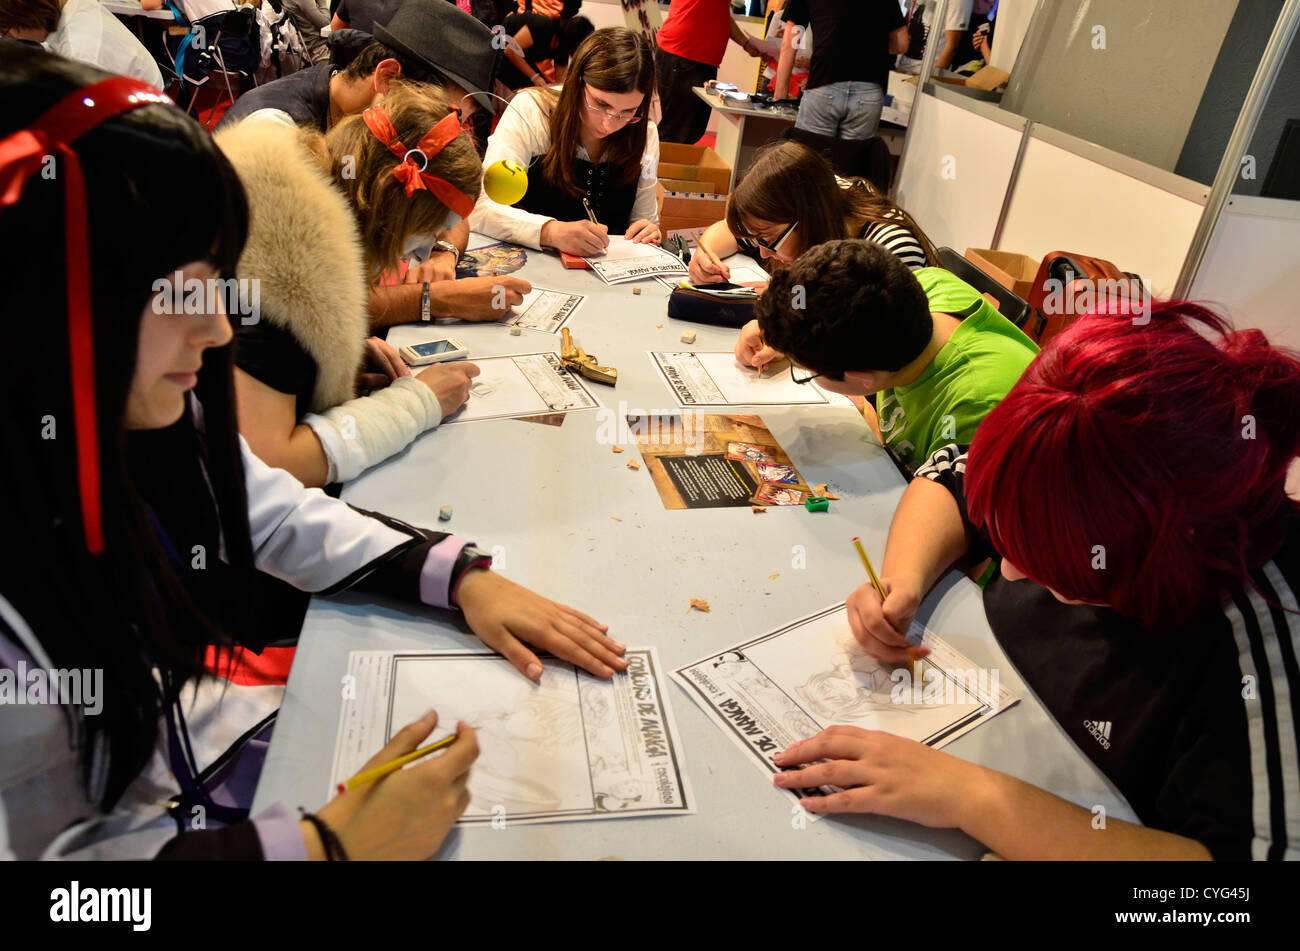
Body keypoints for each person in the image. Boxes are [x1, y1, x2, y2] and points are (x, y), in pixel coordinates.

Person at [0, 45, 625, 859]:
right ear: (48, 301)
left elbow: (262, 504)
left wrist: (456, 572)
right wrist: (326, 849)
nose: (220, 328)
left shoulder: (127, 413)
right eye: (182, 292)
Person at [779, 302, 1300, 860]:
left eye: (1049, 560)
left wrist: (972, 797)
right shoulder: (1071, 462)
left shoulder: (1258, 645)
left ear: (1146, 558)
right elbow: (951, 474)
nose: (1007, 568)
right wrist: (904, 577)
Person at [218, 81, 489, 490]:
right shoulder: (289, 280)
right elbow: (268, 465)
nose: (418, 257)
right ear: (392, 202)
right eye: (427, 232)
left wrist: (330, 358)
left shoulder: (287, 203)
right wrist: (417, 405)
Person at [217, 0, 526, 325]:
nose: (449, 137)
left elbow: (448, 205)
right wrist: (437, 300)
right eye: (446, 115)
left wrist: (443, 253)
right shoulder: (274, 134)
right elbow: (302, 304)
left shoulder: (375, 129)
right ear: (388, 78)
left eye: (459, 123)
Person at [755, 240, 1037, 471]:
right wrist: (788, 338)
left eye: (806, 371)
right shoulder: (920, 285)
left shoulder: (976, 409)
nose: (801, 369)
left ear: (863, 379)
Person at [470, 27, 661, 254]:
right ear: (577, 83)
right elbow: (480, 209)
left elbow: (645, 221)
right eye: (601, 105)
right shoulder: (531, 111)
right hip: (531, 267)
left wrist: (647, 230)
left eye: (628, 111)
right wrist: (549, 231)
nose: (609, 123)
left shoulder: (645, 133)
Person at [772, 0, 907, 142]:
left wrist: (780, 94)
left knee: (811, 159)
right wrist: (870, 49)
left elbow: (791, 42)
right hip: (868, 91)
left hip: (823, 84)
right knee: (851, 161)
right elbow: (902, 44)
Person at [654, 0, 760, 145]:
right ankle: (656, 167)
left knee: (692, 130)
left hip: (696, 58)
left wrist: (746, 44)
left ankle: (666, 166)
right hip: (685, 54)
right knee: (676, 130)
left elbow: (721, 15)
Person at [0, 0, 164, 89]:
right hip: (131, 94)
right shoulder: (74, 5)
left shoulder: (80, 52)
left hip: (138, 123)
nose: (11, 37)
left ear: (28, 19)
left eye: (6, 31)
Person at [496, 11, 593, 90]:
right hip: (499, 48)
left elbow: (560, 82)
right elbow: (510, 51)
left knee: (542, 87)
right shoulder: (543, 26)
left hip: (519, 55)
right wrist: (534, 77)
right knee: (530, 88)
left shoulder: (563, 47)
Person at [896, 0, 973, 74]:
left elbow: (952, 47)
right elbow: (907, 21)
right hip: (902, 65)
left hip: (928, 70)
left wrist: (933, 79)